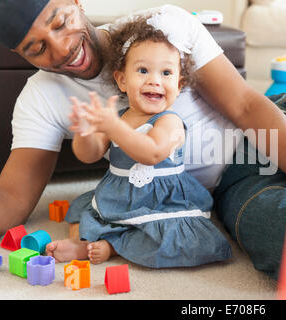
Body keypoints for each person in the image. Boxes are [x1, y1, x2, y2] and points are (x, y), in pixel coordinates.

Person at [0, 0, 286, 279]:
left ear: (75, 2)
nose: (59, 49)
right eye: (36, 48)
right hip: (225, 190)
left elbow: (246, 107)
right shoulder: (43, 97)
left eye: (59, 23)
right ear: (20, 55)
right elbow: (13, 195)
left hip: (277, 126)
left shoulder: (163, 27)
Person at [45, 15, 232, 267]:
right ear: (122, 80)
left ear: (179, 85)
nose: (154, 80)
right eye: (143, 70)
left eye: (166, 73)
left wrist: (113, 126)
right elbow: (88, 154)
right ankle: (84, 243)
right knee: (81, 211)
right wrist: (85, 132)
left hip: (161, 202)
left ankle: (113, 246)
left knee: (173, 242)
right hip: (119, 196)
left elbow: (151, 153)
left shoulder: (169, 122)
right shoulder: (117, 117)